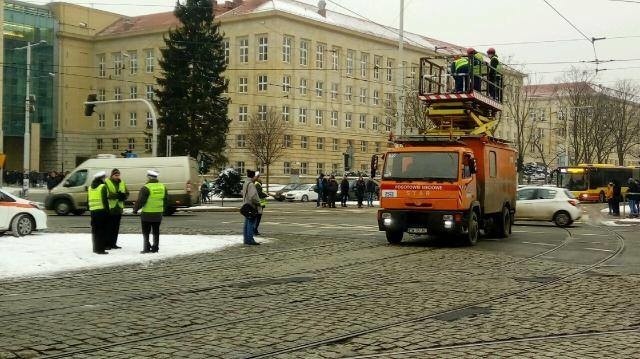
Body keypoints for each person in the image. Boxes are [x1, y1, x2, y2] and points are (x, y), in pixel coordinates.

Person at [133, 169, 168, 253]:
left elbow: (141, 200)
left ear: (149, 177)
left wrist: (135, 209)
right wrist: (163, 210)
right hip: (158, 213)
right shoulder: (163, 187)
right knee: (156, 231)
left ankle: (146, 248)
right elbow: (166, 200)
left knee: (146, 232)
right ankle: (155, 248)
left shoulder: (146, 187)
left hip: (147, 214)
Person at [105, 168, 128, 250]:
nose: (117, 177)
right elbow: (107, 194)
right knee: (109, 227)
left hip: (118, 209)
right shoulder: (107, 182)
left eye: (118, 175)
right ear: (112, 175)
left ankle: (113, 243)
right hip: (110, 208)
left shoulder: (122, 182)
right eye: (115, 175)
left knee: (116, 228)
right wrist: (118, 195)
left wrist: (124, 196)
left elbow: (126, 193)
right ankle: (107, 244)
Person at [88, 171, 110, 255]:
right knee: (102, 231)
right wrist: (107, 211)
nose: (105, 179)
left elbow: (88, 200)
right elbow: (105, 200)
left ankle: (95, 248)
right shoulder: (102, 187)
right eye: (104, 178)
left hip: (93, 211)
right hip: (101, 211)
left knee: (95, 230)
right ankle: (101, 249)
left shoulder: (90, 187)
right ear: (101, 178)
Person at [241, 169, 261, 245]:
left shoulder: (245, 183)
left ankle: (246, 239)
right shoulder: (251, 184)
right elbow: (253, 196)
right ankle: (250, 240)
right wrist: (258, 203)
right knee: (251, 223)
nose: (256, 178)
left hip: (246, 205)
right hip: (251, 206)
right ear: (253, 176)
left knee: (246, 224)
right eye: (256, 176)